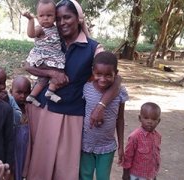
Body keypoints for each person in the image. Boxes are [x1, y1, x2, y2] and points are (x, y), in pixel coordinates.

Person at [22, 0, 121, 179]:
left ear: (79, 18)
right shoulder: (51, 39)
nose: (62, 23)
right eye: (58, 18)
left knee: (65, 168)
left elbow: (117, 78)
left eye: (67, 17)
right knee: (42, 165)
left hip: (72, 114)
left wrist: (101, 106)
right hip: (46, 109)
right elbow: (28, 66)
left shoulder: (93, 48)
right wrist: (53, 73)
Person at [80, 52, 128, 180]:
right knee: (84, 176)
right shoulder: (86, 88)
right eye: (98, 74)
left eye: (108, 75)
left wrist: (121, 146)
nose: (102, 79)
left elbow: (120, 119)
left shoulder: (120, 93)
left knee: (103, 177)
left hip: (107, 147)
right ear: (93, 72)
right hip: (85, 145)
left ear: (116, 73)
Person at [22, 0, 66, 106]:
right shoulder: (40, 29)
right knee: (59, 72)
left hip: (53, 56)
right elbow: (31, 34)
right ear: (37, 17)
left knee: (43, 79)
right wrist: (30, 20)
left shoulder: (56, 29)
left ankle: (32, 97)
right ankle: (50, 92)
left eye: (49, 15)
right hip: (43, 57)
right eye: (42, 16)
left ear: (55, 17)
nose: (45, 18)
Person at [122, 102, 162, 180]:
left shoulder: (158, 136)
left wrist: (153, 175)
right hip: (136, 175)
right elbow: (128, 157)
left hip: (150, 174)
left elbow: (155, 156)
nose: (149, 121)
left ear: (158, 121)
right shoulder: (135, 137)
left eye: (154, 119)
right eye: (146, 118)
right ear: (140, 118)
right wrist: (125, 174)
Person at [8, 76, 31, 180]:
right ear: (11, 91)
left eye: (26, 93)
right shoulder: (7, 108)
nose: (23, 96)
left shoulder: (31, 108)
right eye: (19, 92)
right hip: (12, 150)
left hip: (26, 150)